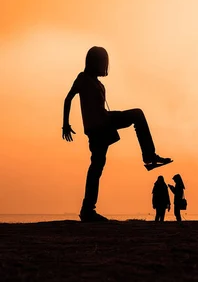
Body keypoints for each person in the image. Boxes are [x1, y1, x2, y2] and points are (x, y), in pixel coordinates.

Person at [62, 46, 172, 222]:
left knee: (97, 166)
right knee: (97, 166)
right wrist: (65, 124)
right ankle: (88, 209)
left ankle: (87, 209)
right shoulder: (82, 79)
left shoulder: (98, 83)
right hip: (98, 126)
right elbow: (68, 98)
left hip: (104, 123)